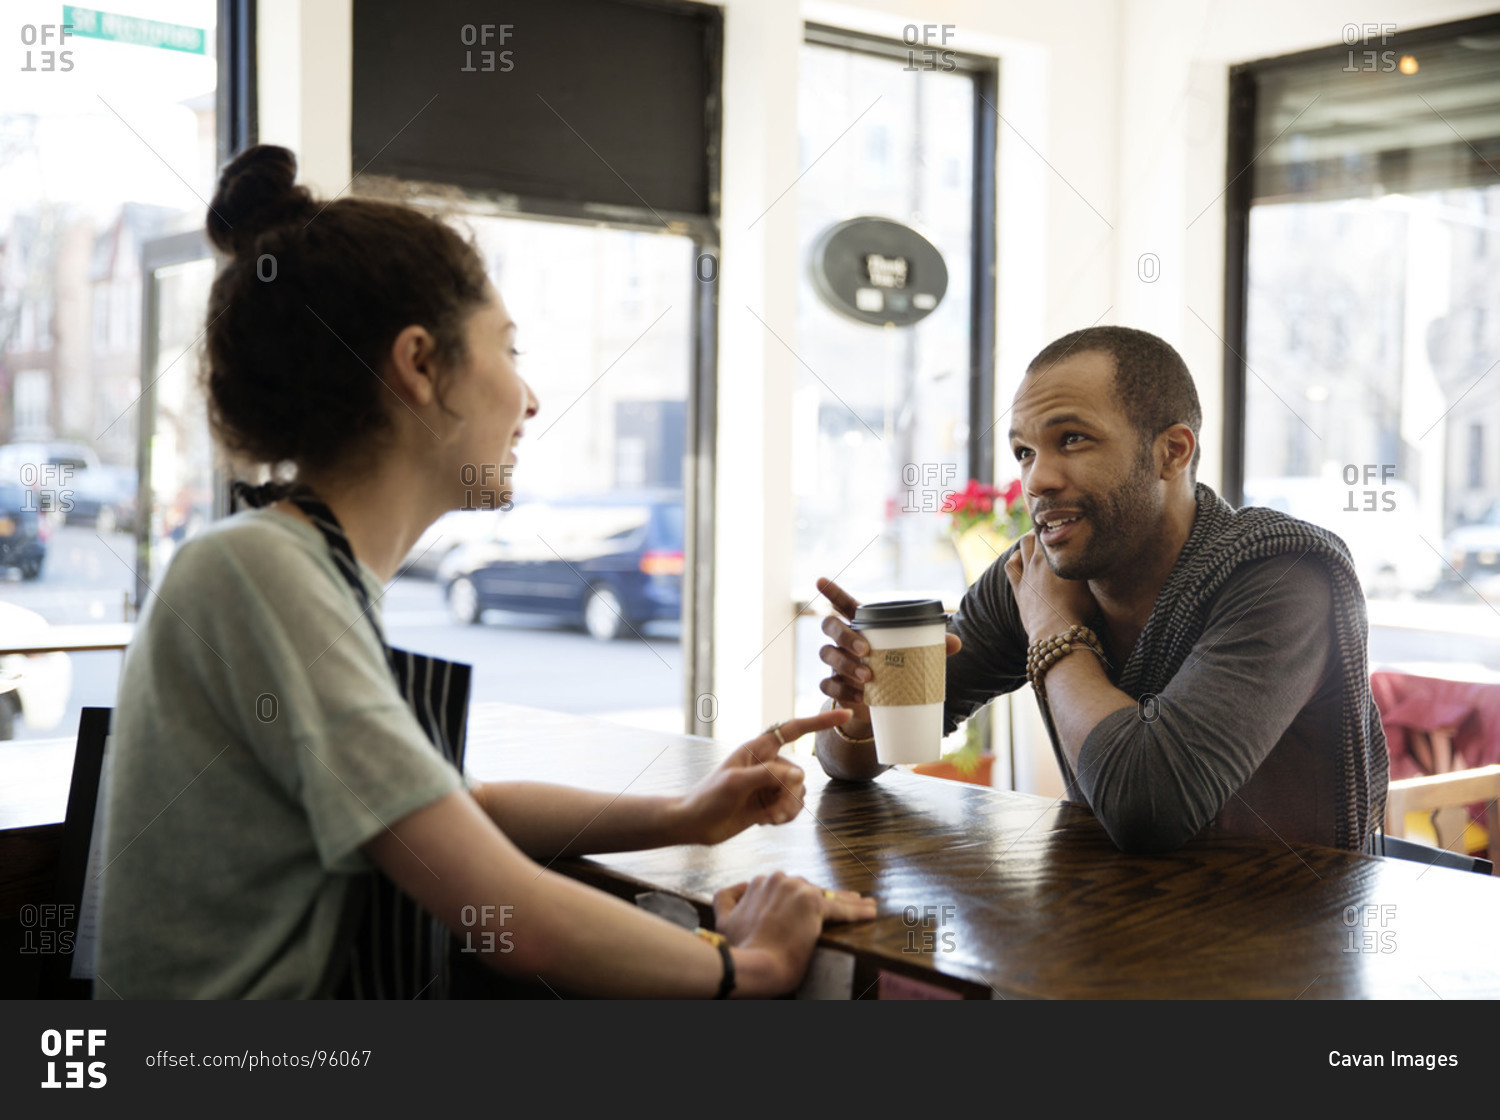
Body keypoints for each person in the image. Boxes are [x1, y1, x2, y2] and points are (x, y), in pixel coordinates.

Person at [94, 145, 874, 1000]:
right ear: (421, 365)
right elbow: (509, 914)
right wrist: (747, 967)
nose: (530, 400)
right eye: (508, 349)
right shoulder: (257, 571)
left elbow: (455, 810)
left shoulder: (294, 566)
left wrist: (687, 815)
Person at [814, 326, 1388, 854]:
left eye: (1072, 439)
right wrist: (865, 713)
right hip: (1114, 929)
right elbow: (846, 759)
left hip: (1295, 941)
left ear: (1173, 451)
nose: (1037, 479)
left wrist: (1055, 633)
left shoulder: (1282, 573)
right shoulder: (1035, 573)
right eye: (1024, 452)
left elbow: (1150, 806)